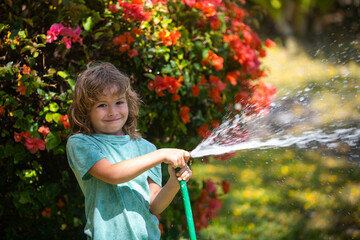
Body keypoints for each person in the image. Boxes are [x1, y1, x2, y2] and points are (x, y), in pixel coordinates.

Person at [66, 61, 192, 239]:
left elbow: (154, 204)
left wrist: (173, 181)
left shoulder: (146, 148)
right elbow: (112, 174)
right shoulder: (81, 143)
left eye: (119, 102)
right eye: (102, 105)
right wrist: (160, 154)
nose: (112, 112)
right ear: (85, 111)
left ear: (129, 103)